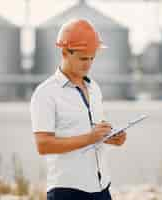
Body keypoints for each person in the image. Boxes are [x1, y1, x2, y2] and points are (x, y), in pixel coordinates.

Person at [30, 18, 127, 200]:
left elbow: (94, 131)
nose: (88, 64)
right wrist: (90, 138)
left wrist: (111, 138)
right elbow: (43, 145)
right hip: (68, 191)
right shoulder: (45, 93)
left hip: (102, 188)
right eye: (83, 58)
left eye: (92, 58)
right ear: (65, 52)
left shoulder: (94, 88)